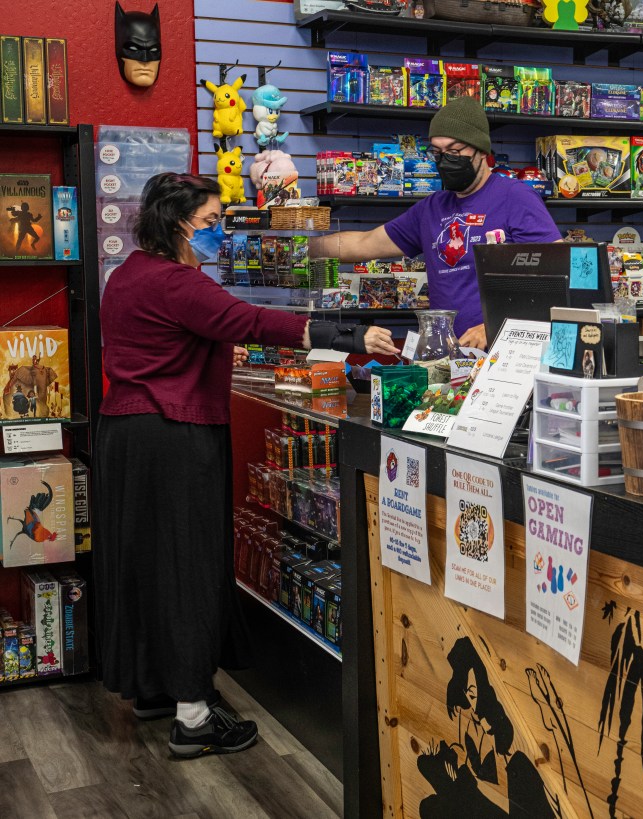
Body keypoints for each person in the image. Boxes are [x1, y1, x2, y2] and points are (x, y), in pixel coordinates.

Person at [94, 172, 398, 760]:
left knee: (145, 563)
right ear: (179, 224)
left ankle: (155, 687)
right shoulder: (179, 284)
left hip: (126, 435)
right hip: (175, 434)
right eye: (209, 223)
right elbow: (252, 321)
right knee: (188, 564)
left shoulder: (127, 274)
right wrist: (351, 334)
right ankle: (193, 717)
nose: (216, 235)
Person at [310, 97, 563, 351]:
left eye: (454, 151)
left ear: (482, 151)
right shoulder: (431, 209)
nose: (445, 160)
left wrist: (494, 325)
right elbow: (364, 244)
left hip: (507, 355)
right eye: (437, 152)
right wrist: (296, 248)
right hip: (449, 358)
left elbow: (558, 278)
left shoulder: (514, 196)